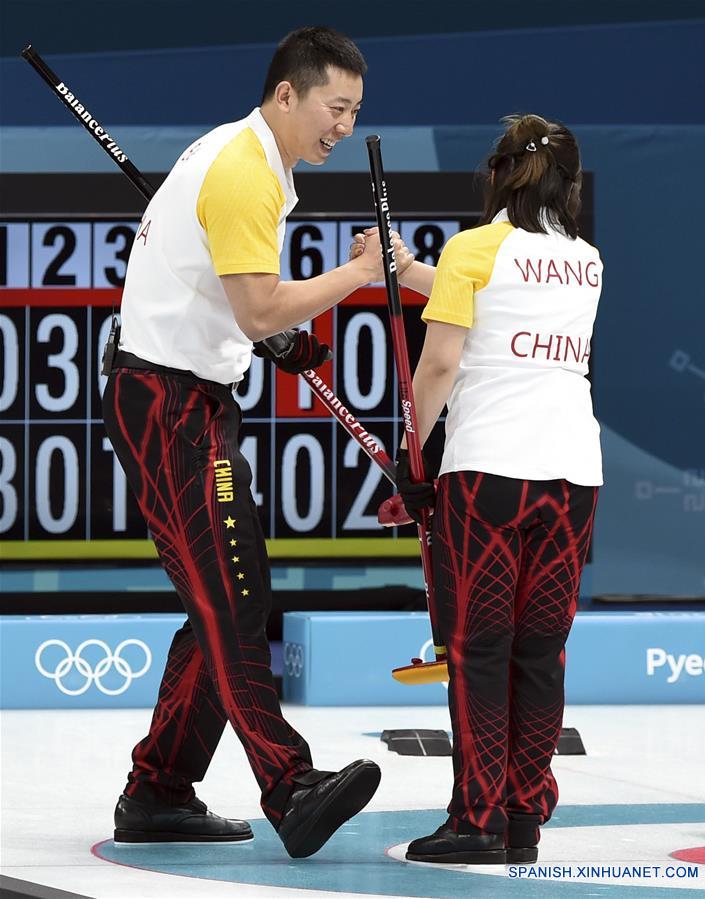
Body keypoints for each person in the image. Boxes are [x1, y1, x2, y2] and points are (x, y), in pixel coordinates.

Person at [102, 26, 397, 859]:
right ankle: (289, 784)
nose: (342, 124)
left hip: (192, 394)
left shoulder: (250, 156)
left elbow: (235, 303)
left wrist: (272, 338)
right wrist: (355, 274)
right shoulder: (241, 171)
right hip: (165, 405)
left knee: (232, 595)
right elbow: (260, 308)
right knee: (230, 598)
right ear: (285, 96)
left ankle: (158, 789)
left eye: (354, 111)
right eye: (334, 107)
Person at [369, 114, 603, 864]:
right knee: (540, 652)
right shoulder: (588, 261)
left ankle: (474, 821)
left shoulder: (473, 249)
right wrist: (409, 272)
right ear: (567, 185)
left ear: (497, 176)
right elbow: (506, 301)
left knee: (477, 651)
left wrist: (413, 458)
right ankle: (521, 818)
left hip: (488, 473)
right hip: (572, 478)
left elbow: (439, 363)